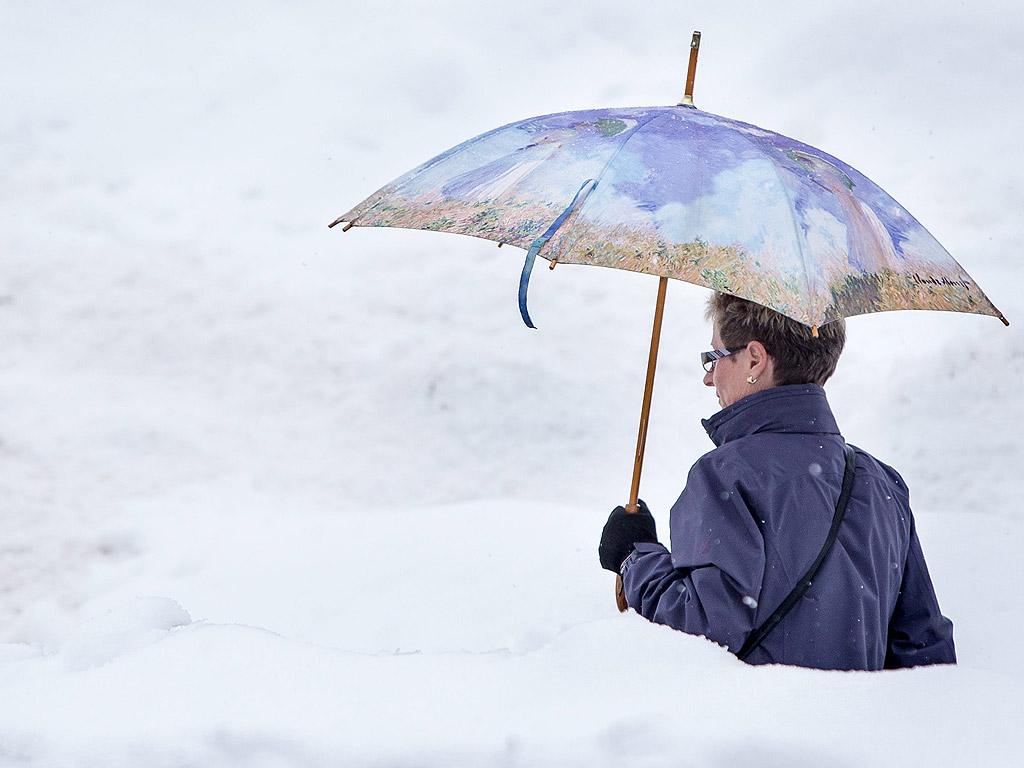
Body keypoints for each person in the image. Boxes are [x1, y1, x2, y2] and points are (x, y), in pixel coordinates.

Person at [598, 292, 956, 670]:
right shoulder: (884, 485)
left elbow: (702, 629)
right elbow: (924, 653)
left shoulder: (726, 475)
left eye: (714, 357)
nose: (708, 377)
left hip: (757, 727)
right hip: (859, 727)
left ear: (754, 358)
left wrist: (633, 558)